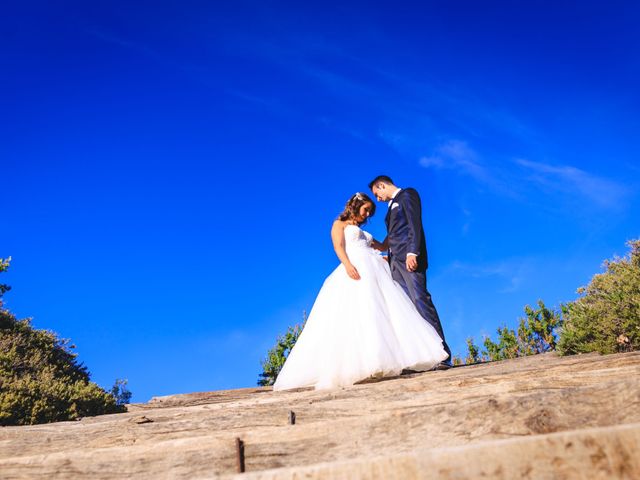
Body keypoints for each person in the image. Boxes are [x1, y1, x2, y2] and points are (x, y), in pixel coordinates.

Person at [273, 192, 448, 391]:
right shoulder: (339, 224)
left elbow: (382, 245)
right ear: (355, 206)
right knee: (358, 312)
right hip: (355, 267)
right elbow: (338, 247)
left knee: (381, 312)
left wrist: (396, 228)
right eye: (365, 210)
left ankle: (385, 359)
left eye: (370, 213)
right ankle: (362, 364)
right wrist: (347, 265)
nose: (367, 215)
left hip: (374, 270)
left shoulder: (361, 231)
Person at [368, 175, 452, 368]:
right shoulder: (389, 210)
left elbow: (414, 224)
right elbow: (395, 234)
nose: (378, 199)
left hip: (409, 258)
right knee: (406, 309)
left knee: (420, 301)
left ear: (382, 185)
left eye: (377, 194)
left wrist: (413, 252)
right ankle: (421, 358)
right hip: (395, 264)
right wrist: (387, 255)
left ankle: (442, 355)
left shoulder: (407, 195)